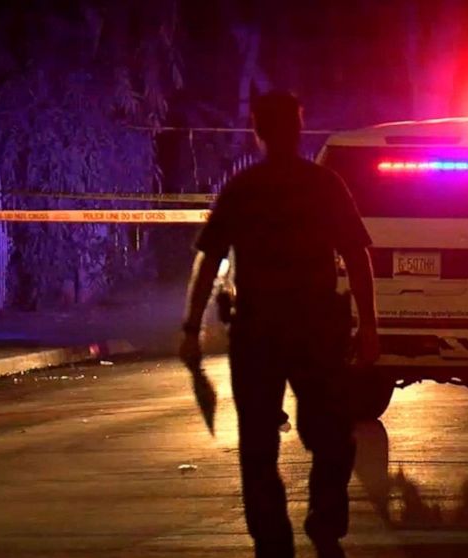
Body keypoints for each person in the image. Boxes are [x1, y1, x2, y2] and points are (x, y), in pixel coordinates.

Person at [180, 90, 379, 558]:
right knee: (330, 435)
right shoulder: (324, 185)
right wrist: (369, 325)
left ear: (258, 130)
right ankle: (325, 524)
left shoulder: (243, 189)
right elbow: (357, 255)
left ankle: (273, 540)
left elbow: (208, 261)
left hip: (259, 334)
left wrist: (190, 328)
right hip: (316, 330)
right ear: (298, 127)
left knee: (258, 444)